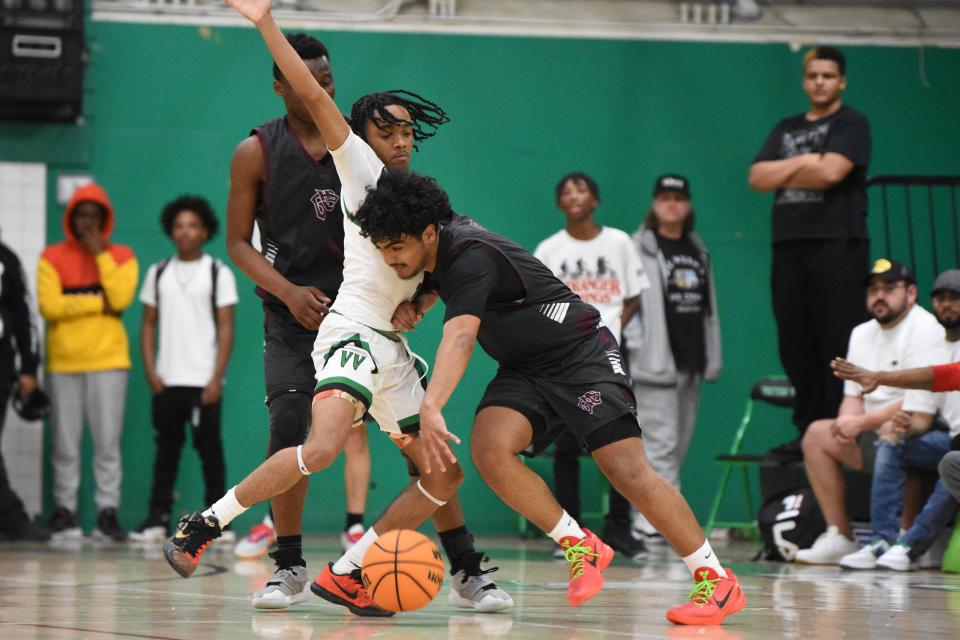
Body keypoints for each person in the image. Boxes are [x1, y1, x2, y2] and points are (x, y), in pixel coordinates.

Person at [165, 1, 513, 616]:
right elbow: (313, 95)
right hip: (346, 329)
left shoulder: (421, 196)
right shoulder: (355, 164)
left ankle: (375, 571)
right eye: (388, 131)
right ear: (359, 134)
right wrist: (264, 23)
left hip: (391, 348)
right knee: (319, 447)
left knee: (442, 472)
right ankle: (207, 523)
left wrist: (423, 300)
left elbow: (443, 263)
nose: (401, 141)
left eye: (409, 132)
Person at [354, 170, 745, 624]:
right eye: (382, 249)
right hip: (526, 368)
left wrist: (433, 404)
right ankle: (580, 544)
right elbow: (446, 282)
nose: (390, 259)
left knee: (627, 471)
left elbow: (460, 337)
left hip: (581, 357)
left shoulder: (470, 255)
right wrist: (421, 301)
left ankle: (715, 580)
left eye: (397, 248)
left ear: (427, 233)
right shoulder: (441, 239)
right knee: (489, 447)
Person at [223, 32, 373, 608]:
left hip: (359, 314)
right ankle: (287, 566)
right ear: (280, 84)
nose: (319, 89)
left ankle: (463, 564)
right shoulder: (256, 151)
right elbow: (237, 243)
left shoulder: (358, 143)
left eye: (328, 80)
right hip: (291, 314)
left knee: (413, 435)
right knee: (288, 424)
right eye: (306, 80)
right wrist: (286, 293)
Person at [748, 45, 872, 462]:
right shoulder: (785, 127)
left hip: (837, 245)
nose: (819, 81)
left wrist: (792, 167)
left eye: (828, 75)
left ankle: (838, 429)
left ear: (842, 81)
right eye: (813, 75)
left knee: (836, 341)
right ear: (805, 81)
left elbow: (832, 172)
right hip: (788, 248)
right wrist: (809, 160)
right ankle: (807, 435)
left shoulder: (852, 121)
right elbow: (757, 177)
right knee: (795, 344)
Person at [794, 258, 944, 565]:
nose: (880, 295)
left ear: (911, 293)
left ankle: (903, 539)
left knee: (896, 436)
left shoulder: (926, 328)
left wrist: (862, 423)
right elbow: (853, 394)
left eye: (890, 288)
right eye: (873, 289)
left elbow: (919, 401)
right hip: (870, 431)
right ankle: (840, 535)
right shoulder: (861, 333)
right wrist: (846, 423)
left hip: (915, 427)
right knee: (818, 435)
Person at [533, 171, 647, 560]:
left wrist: (610, 331)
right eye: (565, 191)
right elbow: (538, 303)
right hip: (564, 355)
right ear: (559, 204)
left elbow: (632, 296)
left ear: (595, 199)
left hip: (609, 353)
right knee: (566, 445)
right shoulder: (549, 249)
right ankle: (572, 531)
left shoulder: (619, 242)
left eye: (581, 189)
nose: (574, 196)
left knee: (618, 440)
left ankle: (620, 529)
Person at [129, 196, 238, 545]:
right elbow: (147, 325)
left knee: (210, 451)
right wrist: (152, 371)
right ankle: (156, 519)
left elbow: (226, 327)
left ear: (205, 230)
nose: (185, 232)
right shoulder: (158, 272)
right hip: (167, 380)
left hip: (203, 380)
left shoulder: (217, 272)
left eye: (192, 225)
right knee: (166, 450)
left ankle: (218, 523)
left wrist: (216, 377)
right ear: (170, 231)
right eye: (179, 226)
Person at [836, 269, 960, 571]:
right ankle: (882, 541)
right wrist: (904, 426)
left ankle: (910, 545)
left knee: (953, 461)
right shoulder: (934, 346)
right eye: (941, 298)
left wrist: (880, 377)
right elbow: (924, 415)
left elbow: (946, 376)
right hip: (950, 438)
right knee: (893, 441)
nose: (947, 305)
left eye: (955, 298)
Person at [37, 182, 138, 541]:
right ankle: (65, 512)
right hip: (64, 363)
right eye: (81, 215)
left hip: (109, 362)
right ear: (71, 218)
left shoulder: (122, 256)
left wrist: (100, 255)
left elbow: (122, 297)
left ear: (104, 220)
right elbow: (50, 306)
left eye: (94, 216)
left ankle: (107, 513)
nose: (87, 223)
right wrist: (98, 304)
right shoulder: (52, 257)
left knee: (107, 443)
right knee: (65, 443)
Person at [623, 175, 721, 543]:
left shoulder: (697, 248)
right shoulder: (637, 247)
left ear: (688, 204)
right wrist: (637, 344)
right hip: (654, 362)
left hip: (691, 359)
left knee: (676, 446)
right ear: (654, 203)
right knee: (659, 446)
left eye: (679, 198)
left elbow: (708, 307)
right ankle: (655, 521)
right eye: (665, 197)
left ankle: (652, 515)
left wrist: (710, 353)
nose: (672, 204)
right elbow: (628, 302)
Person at [0, 237, 50, 541]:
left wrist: (29, 366)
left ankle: (11, 517)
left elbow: (25, 314)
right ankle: (10, 515)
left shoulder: (6, 258)